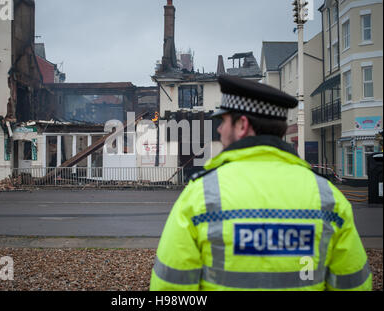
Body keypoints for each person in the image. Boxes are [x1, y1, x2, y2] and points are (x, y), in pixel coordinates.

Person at [150, 75, 372, 291]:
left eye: (223, 121)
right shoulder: (328, 197)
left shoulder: (200, 195)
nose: (219, 129)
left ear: (242, 125)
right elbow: (354, 284)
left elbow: (170, 287)